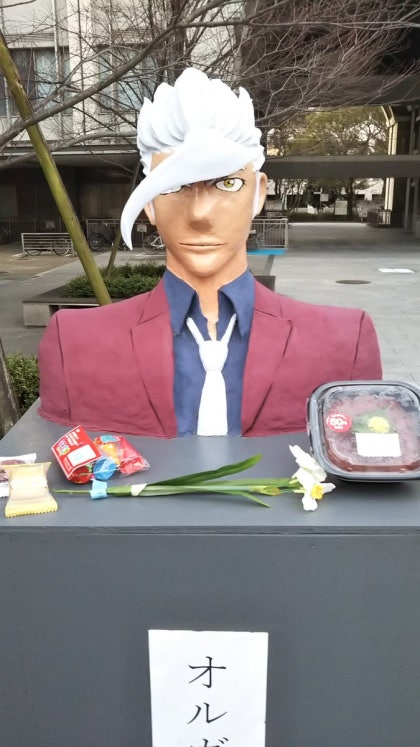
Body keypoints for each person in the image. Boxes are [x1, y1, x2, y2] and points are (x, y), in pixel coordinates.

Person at [38, 68, 382, 438]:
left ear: (258, 194)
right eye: (175, 185)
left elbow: (368, 453)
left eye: (227, 183)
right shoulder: (75, 342)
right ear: (149, 203)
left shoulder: (343, 341)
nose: (200, 215)